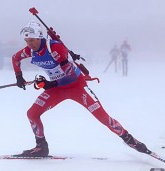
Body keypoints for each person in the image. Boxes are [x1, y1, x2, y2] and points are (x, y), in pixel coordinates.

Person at [12, 21, 150, 157]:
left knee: (103, 117)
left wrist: (49, 84)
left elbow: (70, 75)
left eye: (32, 40)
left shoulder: (55, 48)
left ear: (39, 37)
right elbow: (15, 58)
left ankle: (130, 140)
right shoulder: (29, 51)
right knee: (32, 114)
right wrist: (19, 77)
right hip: (57, 89)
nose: (30, 44)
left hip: (76, 86)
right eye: (27, 41)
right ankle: (41, 147)